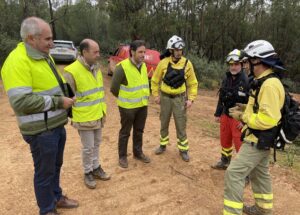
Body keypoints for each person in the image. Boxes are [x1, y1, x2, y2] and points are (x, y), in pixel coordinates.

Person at [1, 17, 78, 215]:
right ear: (31, 38)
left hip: (55, 125)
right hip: (41, 131)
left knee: (56, 166)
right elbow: (21, 102)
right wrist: (58, 102)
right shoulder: (16, 62)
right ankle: (47, 210)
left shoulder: (44, 55)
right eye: (48, 39)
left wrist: (67, 93)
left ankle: (56, 196)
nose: (52, 43)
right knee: (44, 172)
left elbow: (53, 84)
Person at [223, 40, 286, 215]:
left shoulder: (270, 85)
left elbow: (269, 118)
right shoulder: (262, 81)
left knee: (234, 174)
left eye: (247, 61)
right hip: (260, 138)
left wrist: (243, 116)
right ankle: (263, 209)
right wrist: (245, 108)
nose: (244, 65)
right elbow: (263, 108)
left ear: (257, 60)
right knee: (260, 174)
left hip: (258, 139)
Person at [64, 39, 111, 189]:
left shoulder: (96, 67)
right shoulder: (71, 71)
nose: (98, 55)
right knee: (88, 147)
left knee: (97, 144)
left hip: (98, 114)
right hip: (83, 117)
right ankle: (87, 172)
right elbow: (67, 98)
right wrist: (72, 116)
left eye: (98, 51)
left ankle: (96, 167)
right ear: (84, 52)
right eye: (95, 52)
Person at [151, 35, 198, 162]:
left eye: (180, 50)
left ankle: (183, 150)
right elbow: (155, 80)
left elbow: (193, 83)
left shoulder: (187, 64)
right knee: (164, 122)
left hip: (179, 99)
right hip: (165, 98)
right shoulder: (163, 63)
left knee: (181, 124)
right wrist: (156, 95)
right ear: (171, 50)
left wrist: (191, 99)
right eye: (176, 50)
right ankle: (162, 145)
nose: (178, 52)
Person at [110, 40, 151, 168]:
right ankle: (122, 157)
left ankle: (137, 153)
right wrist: (124, 98)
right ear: (132, 52)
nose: (143, 54)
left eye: (144, 52)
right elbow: (114, 89)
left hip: (142, 105)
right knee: (125, 132)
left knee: (139, 131)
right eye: (140, 52)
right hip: (127, 108)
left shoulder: (143, 66)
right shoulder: (122, 67)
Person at [211, 49, 249, 170]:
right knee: (225, 139)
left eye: (236, 64)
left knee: (240, 144)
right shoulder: (226, 78)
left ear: (242, 64)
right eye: (231, 64)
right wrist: (218, 113)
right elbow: (221, 97)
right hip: (225, 115)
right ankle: (225, 161)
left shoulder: (247, 81)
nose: (233, 67)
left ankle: (244, 171)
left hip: (238, 118)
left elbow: (251, 104)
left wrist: (244, 121)